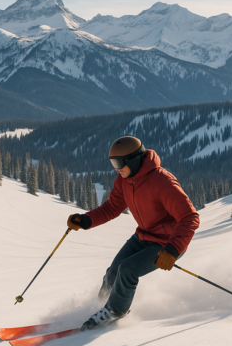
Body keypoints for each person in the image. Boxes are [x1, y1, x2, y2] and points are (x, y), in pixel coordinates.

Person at [68, 136, 200, 330]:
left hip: (168, 243)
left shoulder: (162, 181)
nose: (116, 168)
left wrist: (172, 250)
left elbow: (190, 217)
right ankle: (101, 306)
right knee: (113, 271)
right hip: (143, 235)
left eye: (119, 163)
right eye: (113, 162)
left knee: (128, 269)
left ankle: (114, 312)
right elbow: (112, 207)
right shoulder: (124, 181)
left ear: (133, 160)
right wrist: (87, 220)